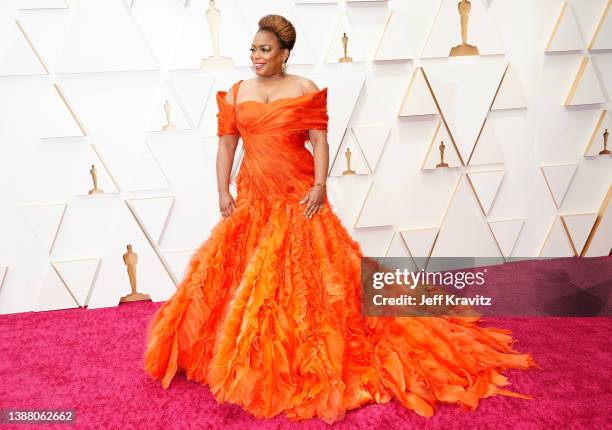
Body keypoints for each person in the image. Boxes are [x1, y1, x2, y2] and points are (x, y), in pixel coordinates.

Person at [142, 14, 537, 425]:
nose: (256, 57)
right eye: (253, 50)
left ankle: (304, 357)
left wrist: (319, 185)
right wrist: (222, 190)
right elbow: (226, 146)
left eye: (265, 50)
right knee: (237, 273)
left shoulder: (305, 89)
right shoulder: (238, 92)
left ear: (284, 54)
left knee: (306, 277)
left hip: (298, 192)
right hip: (254, 193)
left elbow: (319, 140)